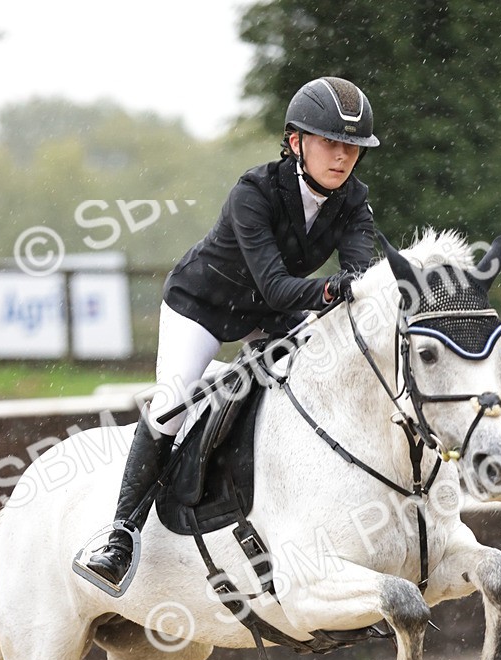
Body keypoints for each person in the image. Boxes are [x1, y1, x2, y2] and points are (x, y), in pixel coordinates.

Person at [83, 75, 380, 589]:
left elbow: (361, 277)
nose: (343, 157)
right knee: (172, 403)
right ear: (296, 144)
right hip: (203, 305)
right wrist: (340, 290)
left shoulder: (354, 200)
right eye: (331, 143)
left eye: (352, 147)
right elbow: (280, 286)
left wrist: (367, 291)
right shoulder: (255, 191)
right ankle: (120, 535)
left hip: (268, 313)